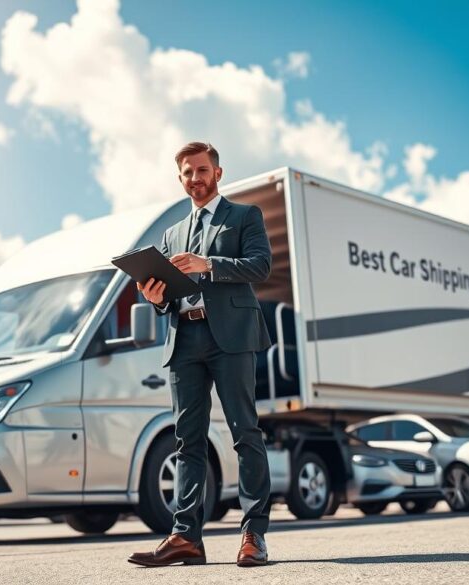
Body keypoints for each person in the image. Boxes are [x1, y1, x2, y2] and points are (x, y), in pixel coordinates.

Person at [128, 142, 273, 568]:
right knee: (187, 440)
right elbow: (168, 297)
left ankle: (253, 536)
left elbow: (260, 266)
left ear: (218, 172)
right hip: (184, 339)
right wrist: (155, 298)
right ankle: (185, 537)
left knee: (244, 432)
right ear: (180, 178)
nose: (196, 178)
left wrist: (207, 263)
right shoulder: (170, 234)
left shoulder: (245, 216)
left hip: (231, 337)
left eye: (202, 169)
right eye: (188, 172)